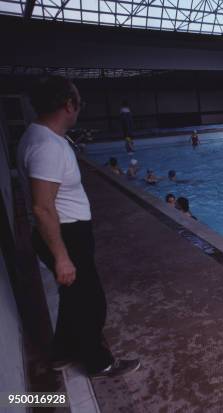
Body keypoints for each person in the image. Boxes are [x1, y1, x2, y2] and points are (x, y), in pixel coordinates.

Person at [17, 75, 139, 378]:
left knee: (73, 298)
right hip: (65, 235)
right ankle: (99, 363)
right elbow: (42, 207)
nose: (80, 108)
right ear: (68, 104)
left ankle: (61, 352)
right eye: (79, 102)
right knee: (90, 302)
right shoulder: (46, 146)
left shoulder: (42, 137)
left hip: (68, 232)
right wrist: (61, 257)